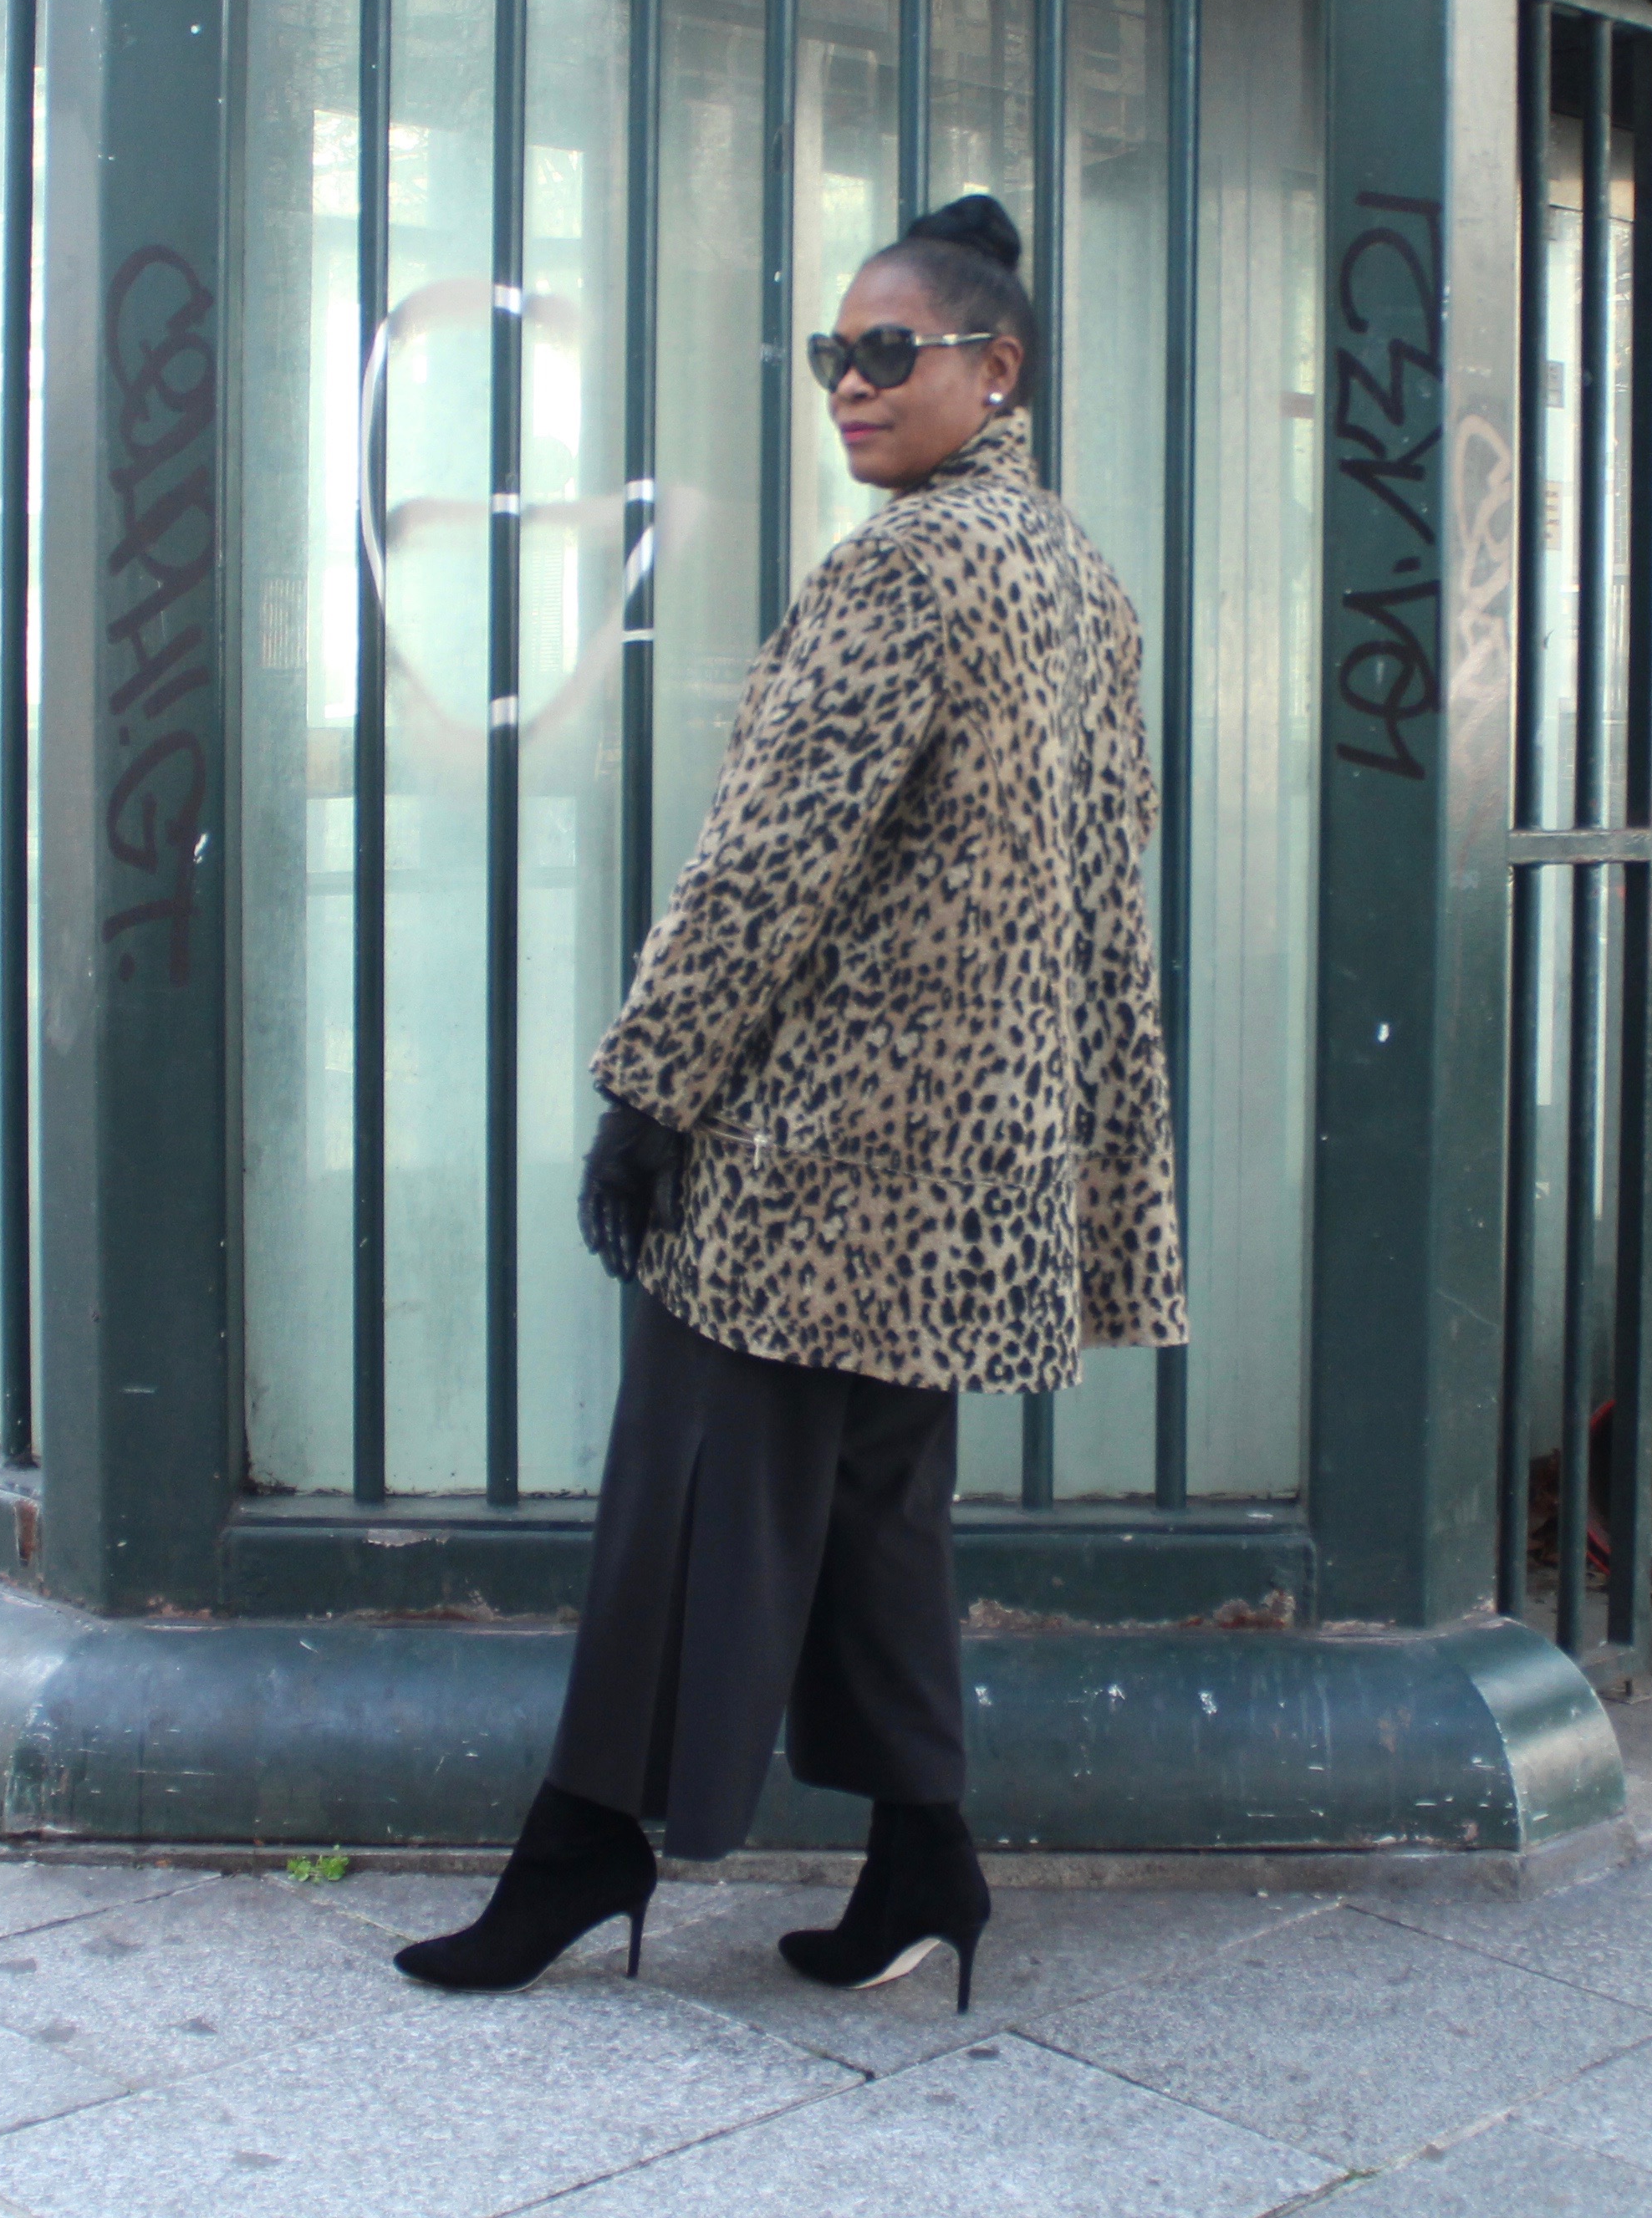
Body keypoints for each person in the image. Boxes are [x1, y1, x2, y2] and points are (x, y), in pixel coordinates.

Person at [392, 193, 1187, 2011]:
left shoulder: (903, 569)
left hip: (824, 1139)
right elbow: (1106, 850)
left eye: (890, 352)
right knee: (877, 1512)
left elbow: (769, 858)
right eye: (836, 354)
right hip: (972, 1151)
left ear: (999, 370)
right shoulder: (1075, 568)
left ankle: (589, 1844)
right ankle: (928, 1857)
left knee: (692, 1479)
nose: (853, 383)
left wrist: (649, 1097)